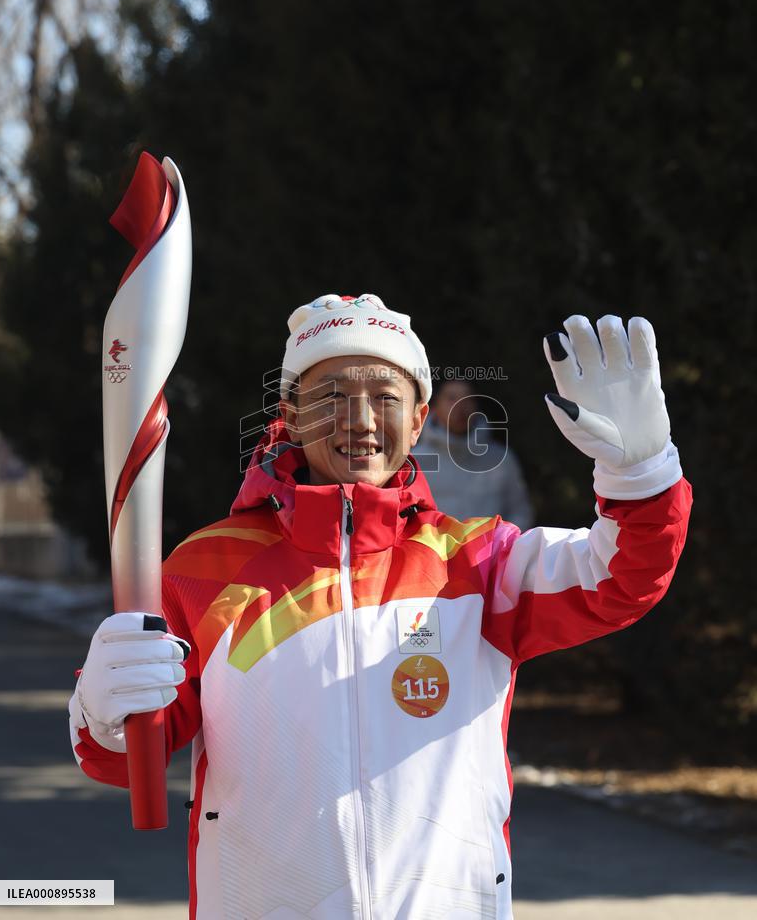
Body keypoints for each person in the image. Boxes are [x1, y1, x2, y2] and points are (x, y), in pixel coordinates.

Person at [68, 293, 692, 920]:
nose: (359, 419)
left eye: (386, 397)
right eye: (331, 396)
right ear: (290, 415)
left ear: (418, 420)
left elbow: (620, 578)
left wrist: (641, 476)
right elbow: (124, 761)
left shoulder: (479, 564)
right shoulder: (203, 571)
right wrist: (103, 710)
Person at [413, 378, 534, 529]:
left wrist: (503, 541)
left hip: (493, 544)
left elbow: (520, 511)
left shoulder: (500, 458)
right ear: (433, 408)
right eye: (451, 398)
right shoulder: (415, 461)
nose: (460, 406)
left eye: (467, 399)